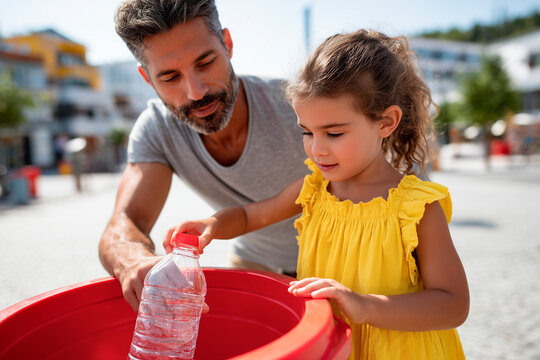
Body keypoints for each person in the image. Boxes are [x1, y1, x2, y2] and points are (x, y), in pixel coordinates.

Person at [166, 29, 469, 359]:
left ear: (386, 122)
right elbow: (251, 215)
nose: (317, 149)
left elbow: (453, 304)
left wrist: (364, 305)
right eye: (307, 132)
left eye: (334, 133)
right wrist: (211, 224)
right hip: (333, 349)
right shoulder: (313, 189)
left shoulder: (415, 207)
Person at [98, 0, 307, 312]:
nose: (195, 91)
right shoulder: (156, 130)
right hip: (253, 260)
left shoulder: (299, 105)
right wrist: (133, 261)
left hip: (336, 258)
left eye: (205, 63)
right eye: (170, 77)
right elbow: (126, 221)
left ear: (228, 44)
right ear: (147, 79)